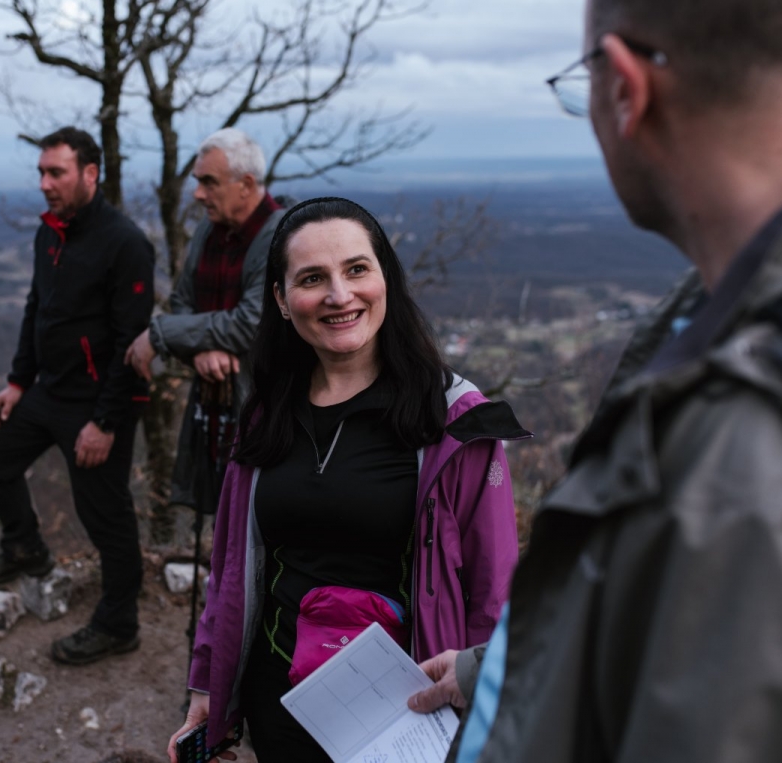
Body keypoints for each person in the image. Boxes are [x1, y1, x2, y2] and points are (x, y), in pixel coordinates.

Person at [409, 0, 782, 761]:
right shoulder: (712, 320)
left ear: (626, 87)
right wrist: (496, 665)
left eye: (585, 85)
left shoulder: (748, 449)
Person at [167, 198, 530, 762]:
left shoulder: (455, 422)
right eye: (313, 278)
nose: (340, 295)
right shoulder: (265, 415)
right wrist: (208, 686)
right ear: (283, 302)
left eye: (357, 269)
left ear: (386, 279)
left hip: (410, 712)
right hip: (281, 699)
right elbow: (232, 569)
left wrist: (486, 692)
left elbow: (495, 586)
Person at [0, 127, 155, 665]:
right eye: (42, 173)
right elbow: (38, 309)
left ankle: (119, 623)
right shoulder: (50, 232)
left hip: (98, 404)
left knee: (105, 515)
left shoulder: (125, 243)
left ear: (90, 174)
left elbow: (132, 343)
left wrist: (106, 422)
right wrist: (17, 382)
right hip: (50, 390)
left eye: (57, 173)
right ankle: (24, 544)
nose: (46, 184)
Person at [124, 128, 286, 507]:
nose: (198, 194)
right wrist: (200, 351)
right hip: (214, 407)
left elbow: (251, 323)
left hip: (266, 408)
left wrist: (159, 334)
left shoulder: (282, 236)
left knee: (261, 516)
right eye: (198, 182)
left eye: (209, 183)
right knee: (223, 519)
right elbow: (183, 301)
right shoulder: (207, 232)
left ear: (246, 184)